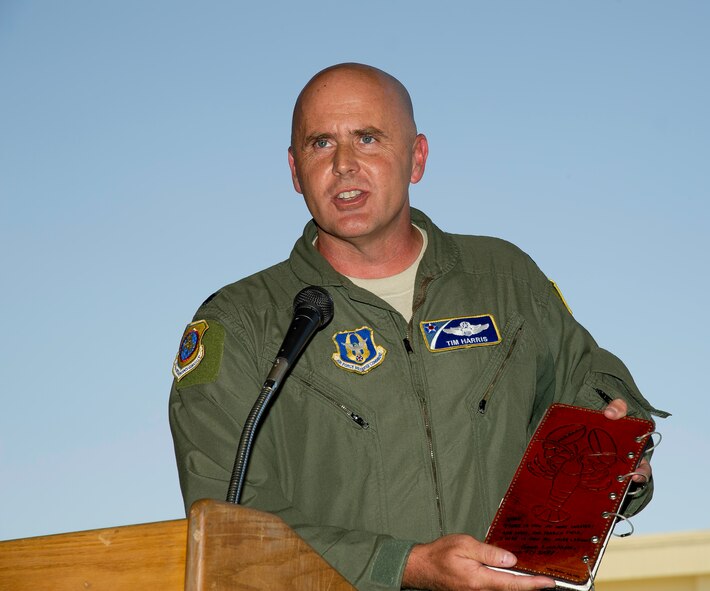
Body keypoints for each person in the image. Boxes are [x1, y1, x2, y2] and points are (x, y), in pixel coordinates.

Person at [169, 63, 668, 591]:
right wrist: (404, 565)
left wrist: (618, 458)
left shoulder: (505, 280)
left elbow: (592, 390)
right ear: (295, 171)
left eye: (367, 138)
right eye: (321, 143)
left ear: (417, 157)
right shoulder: (240, 323)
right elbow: (230, 527)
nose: (343, 164)